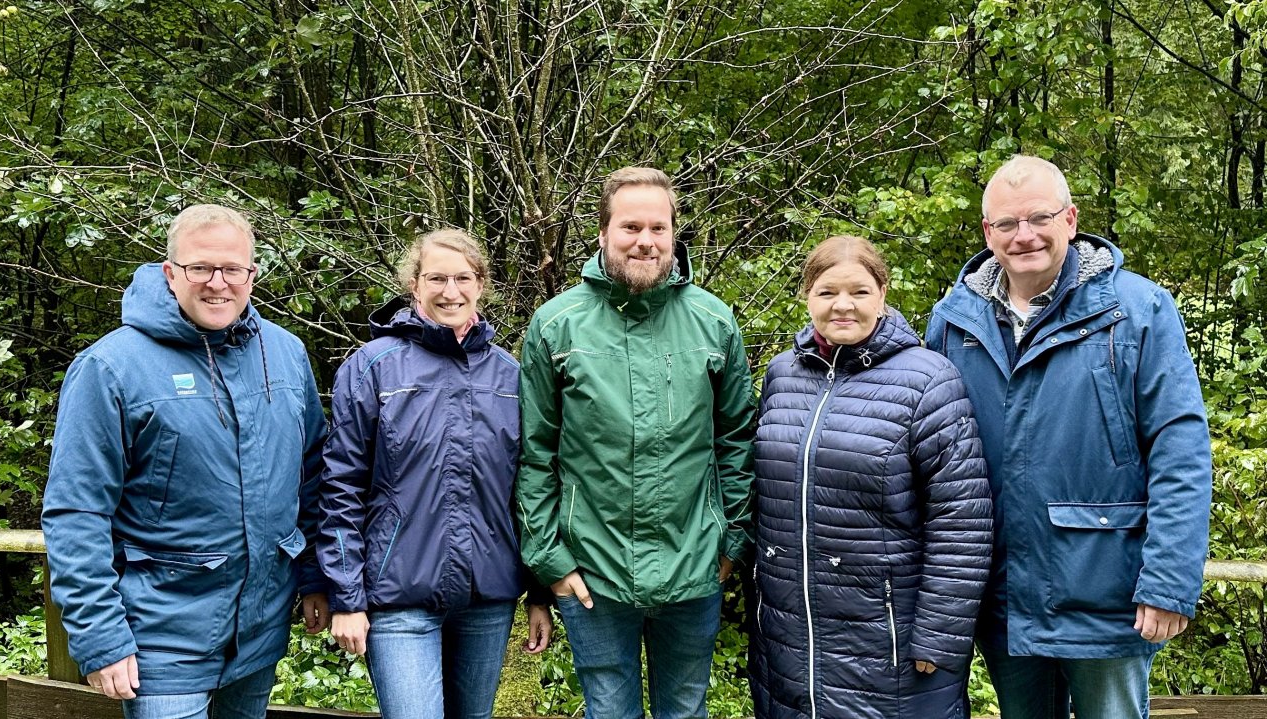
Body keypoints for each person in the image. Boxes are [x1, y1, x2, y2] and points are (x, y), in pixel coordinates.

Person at [926, 154, 1213, 719]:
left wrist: (1169, 580)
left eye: (1039, 218)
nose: (1023, 235)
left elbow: (1180, 450)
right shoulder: (954, 320)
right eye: (1006, 224)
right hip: (1004, 593)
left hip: (1109, 589)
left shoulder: (1137, 310)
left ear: (1071, 219)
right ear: (988, 233)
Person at [41, 204, 331, 719]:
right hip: (160, 637)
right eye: (201, 268)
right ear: (171, 273)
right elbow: (76, 512)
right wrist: (100, 635)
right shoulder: (110, 367)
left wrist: (312, 576)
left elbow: (310, 479)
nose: (217, 283)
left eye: (232, 269)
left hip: (259, 635)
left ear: (252, 275)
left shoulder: (284, 354)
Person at [515, 166, 757, 719]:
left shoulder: (713, 322)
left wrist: (730, 542)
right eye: (630, 227)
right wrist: (551, 560)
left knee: (684, 711)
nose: (645, 241)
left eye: (658, 227)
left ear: (674, 233)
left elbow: (737, 440)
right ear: (602, 233)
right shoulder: (557, 326)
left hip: (695, 565)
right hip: (591, 573)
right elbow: (535, 455)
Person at [749, 235, 992, 719]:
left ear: (883, 294)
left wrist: (938, 634)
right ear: (807, 296)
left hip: (889, 639)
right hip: (788, 637)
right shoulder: (782, 376)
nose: (843, 305)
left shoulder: (928, 380)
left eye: (859, 292)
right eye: (827, 292)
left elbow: (962, 522)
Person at [318, 228, 553, 719]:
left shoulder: (510, 375)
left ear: (481, 284)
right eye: (437, 278)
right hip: (398, 593)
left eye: (463, 278)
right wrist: (346, 596)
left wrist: (538, 592)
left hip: (488, 596)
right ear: (414, 285)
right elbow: (340, 485)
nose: (451, 291)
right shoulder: (373, 367)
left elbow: (530, 487)